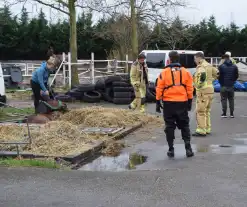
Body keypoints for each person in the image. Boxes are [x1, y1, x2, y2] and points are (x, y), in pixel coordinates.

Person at [156, 51, 194, 158]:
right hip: (182, 102)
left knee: (169, 126)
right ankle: (188, 148)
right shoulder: (186, 72)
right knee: (184, 125)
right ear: (179, 59)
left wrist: (158, 101)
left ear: (170, 59)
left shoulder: (164, 72)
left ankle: (171, 149)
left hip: (169, 103)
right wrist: (190, 100)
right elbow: (190, 88)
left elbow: (159, 87)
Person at [193, 52, 218, 136]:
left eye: (195, 59)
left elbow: (202, 76)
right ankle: (207, 128)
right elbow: (217, 73)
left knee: (200, 111)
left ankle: (201, 130)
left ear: (199, 58)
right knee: (207, 111)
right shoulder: (209, 65)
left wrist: (197, 86)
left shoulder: (201, 66)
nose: (194, 61)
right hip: (210, 90)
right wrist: (210, 81)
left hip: (203, 92)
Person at [218, 54, 239, 118]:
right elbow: (236, 76)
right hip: (231, 85)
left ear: (224, 59)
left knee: (223, 99)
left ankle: (224, 114)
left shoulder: (221, 66)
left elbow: (219, 76)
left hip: (223, 85)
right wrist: (233, 81)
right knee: (231, 99)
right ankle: (231, 114)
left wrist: (221, 82)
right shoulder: (235, 66)